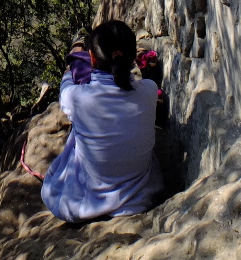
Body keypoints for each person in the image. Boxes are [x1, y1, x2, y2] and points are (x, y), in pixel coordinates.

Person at [41, 20, 164, 222]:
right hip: (141, 195)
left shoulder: (76, 97)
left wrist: (78, 49)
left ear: (92, 57)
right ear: (133, 58)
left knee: (79, 130)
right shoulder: (149, 90)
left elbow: (70, 75)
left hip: (88, 200)